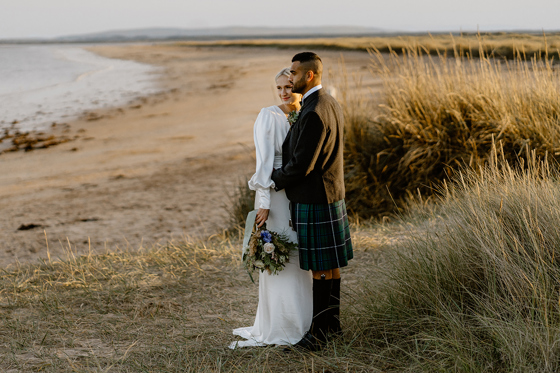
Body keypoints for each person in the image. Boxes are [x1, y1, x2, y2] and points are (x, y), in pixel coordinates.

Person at [271, 52, 353, 351]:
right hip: (329, 193)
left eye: (293, 73)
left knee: (320, 267)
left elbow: (302, 165)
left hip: (315, 197)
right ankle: (332, 326)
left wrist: (273, 178)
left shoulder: (314, 111)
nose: (289, 77)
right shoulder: (328, 102)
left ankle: (318, 335)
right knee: (330, 266)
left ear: (309, 75)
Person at [229, 68, 313, 349]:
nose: (284, 93)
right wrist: (263, 202)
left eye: (289, 86)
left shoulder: (308, 114)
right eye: (279, 88)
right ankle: (280, 324)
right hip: (274, 196)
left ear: (301, 84)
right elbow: (263, 162)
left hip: (300, 195)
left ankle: (305, 321)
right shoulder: (269, 115)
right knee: (278, 254)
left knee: (300, 254)